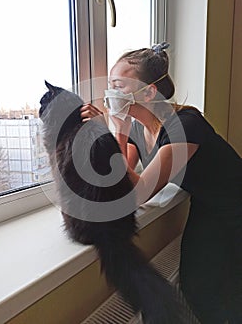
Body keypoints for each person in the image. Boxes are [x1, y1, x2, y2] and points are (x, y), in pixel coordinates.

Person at [80, 42, 242, 324]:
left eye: (119, 85)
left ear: (149, 91)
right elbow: (118, 180)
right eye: (110, 85)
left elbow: (138, 193)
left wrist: (115, 131)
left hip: (235, 206)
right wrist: (110, 134)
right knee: (196, 284)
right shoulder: (140, 129)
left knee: (220, 289)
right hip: (208, 205)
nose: (110, 93)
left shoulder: (186, 125)